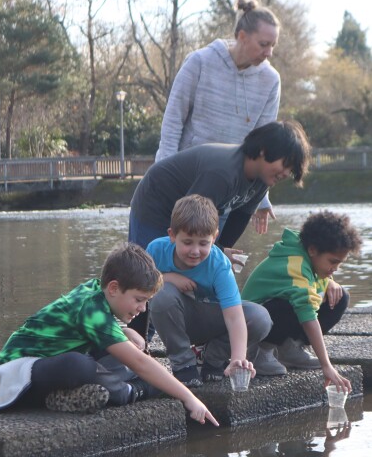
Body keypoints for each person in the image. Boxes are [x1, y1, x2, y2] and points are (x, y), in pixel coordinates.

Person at [0, 243, 218, 426]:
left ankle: (82, 394)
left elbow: (95, 330)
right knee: (81, 366)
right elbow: (140, 362)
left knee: (123, 361)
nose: (143, 309)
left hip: (47, 364)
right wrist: (189, 397)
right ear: (114, 288)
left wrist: (124, 330)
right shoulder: (91, 309)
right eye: (139, 300)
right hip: (18, 372)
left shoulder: (96, 292)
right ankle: (129, 392)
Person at [127, 120, 310, 340]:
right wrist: (212, 249)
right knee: (145, 275)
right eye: (286, 164)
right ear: (264, 151)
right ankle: (137, 344)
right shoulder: (222, 173)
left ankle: (192, 339)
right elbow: (193, 216)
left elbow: (239, 216)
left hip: (189, 209)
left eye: (291, 169)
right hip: (155, 204)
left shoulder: (261, 182)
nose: (286, 173)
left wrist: (221, 249)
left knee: (199, 266)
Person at [156, 0, 281, 235]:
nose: (269, 53)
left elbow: (265, 146)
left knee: (205, 261)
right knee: (160, 260)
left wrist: (261, 197)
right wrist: (161, 176)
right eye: (264, 44)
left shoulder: (271, 80)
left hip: (225, 190)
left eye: (273, 45)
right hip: (183, 180)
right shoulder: (199, 62)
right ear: (242, 37)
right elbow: (173, 122)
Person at [147, 195, 270, 386]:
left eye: (203, 243)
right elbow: (138, 288)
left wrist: (238, 358)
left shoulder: (219, 263)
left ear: (214, 238)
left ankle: (213, 359)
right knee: (162, 293)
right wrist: (166, 278)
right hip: (178, 320)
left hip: (213, 320)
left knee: (260, 318)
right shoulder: (156, 250)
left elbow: (234, 316)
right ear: (172, 235)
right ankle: (183, 364)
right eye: (187, 242)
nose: (195, 251)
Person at [241, 211, 360, 393]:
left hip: (277, 312)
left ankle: (291, 350)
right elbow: (308, 316)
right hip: (252, 327)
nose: (335, 268)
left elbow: (313, 286)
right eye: (332, 262)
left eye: (339, 264)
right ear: (313, 250)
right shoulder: (294, 265)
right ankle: (261, 353)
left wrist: (329, 281)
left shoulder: (309, 258)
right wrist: (326, 365)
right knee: (289, 306)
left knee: (340, 297)